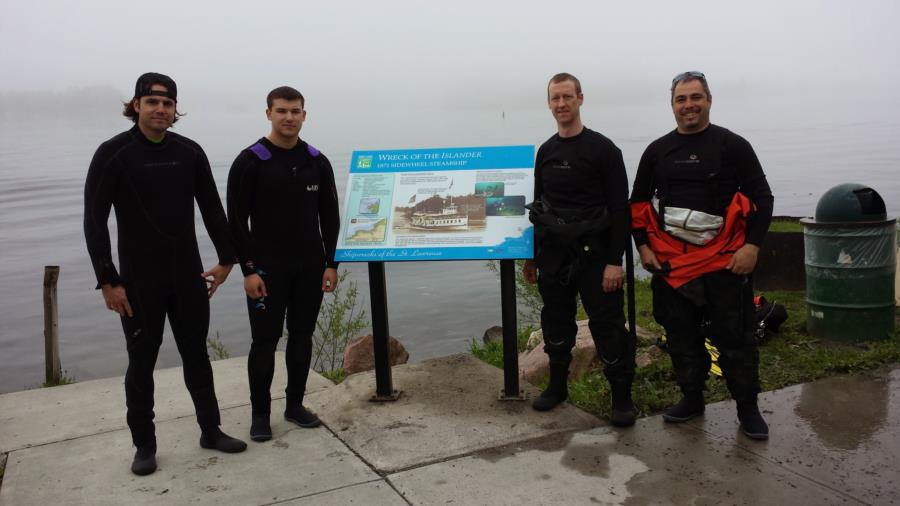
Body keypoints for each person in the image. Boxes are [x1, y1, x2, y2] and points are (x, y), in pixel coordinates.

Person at [84, 72, 247, 476]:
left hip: (186, 276)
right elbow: (94, 220)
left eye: (168, 103)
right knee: (141, 362)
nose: (160, 109)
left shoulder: (190, 152)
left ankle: (211, 430)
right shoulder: (114, 154)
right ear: (136, 105)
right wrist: (108, 279)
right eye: (152, 101)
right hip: (138, 281)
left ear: (175, 109)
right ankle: (144, 445)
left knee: (197, 356)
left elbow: (212, 208)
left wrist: (228, 260)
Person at [630, 71, 774, 439]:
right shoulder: (657, 151)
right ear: (672, 104)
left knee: (736, 338)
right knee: (680, 335)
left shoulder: (733, 145)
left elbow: (763, 197)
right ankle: (692, 398)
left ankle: (748, 408)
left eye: (696, 97)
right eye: (681, 99)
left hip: (726, 261)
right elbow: (638, 204)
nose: (689, 105)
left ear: (709, 100)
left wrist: (752, 246)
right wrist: (643, 247)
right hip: (672, 265)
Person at [227, 86, 340, 442]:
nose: (289, 117)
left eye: (295, 111)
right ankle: (260, 415)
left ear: (304, 115)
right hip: (265, 269)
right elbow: (236, 222)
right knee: (264, 341)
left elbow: (331, 219)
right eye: (282, 111)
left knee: (302, 336)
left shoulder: (316, 161)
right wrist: (247, 270)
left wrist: (331, 264)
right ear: (269, 114)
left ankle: (295, 405)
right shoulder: (251, 161)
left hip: (309, 266)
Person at [523, 73, 636, 426]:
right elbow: (539, 207)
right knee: (555, 322)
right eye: (555, 98)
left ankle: (621, 398)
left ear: (580, 99)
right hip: (554, 254)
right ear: (549, 103)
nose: (561, 104)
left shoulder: (603, 149)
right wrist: (531, 256)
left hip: (596, 254)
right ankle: (558, 387)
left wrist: (614, 262)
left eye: (567, 97)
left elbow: (621, 210)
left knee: (607, 326)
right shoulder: (546, 151)